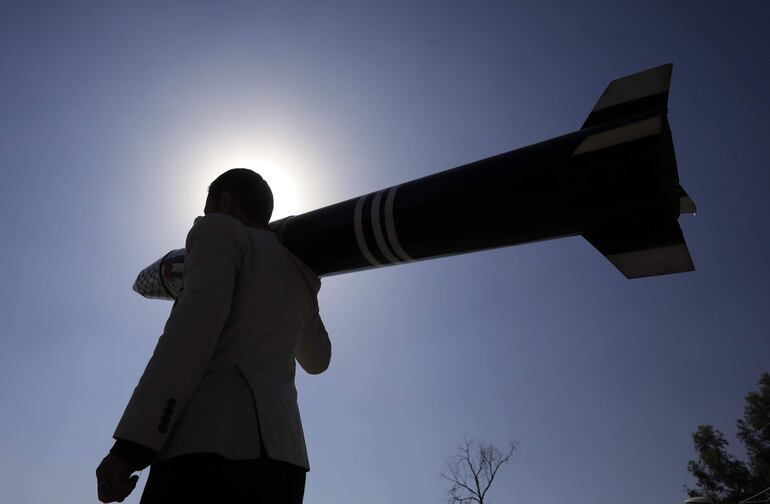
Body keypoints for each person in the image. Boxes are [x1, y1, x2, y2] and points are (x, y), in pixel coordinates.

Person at [96, 168, 331, 503]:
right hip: (285, 465)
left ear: (225, 202)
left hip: (206, 451)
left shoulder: (217, 232)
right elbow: (318, 360)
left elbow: (190, 336)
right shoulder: (301, 273)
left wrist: (131, 446)